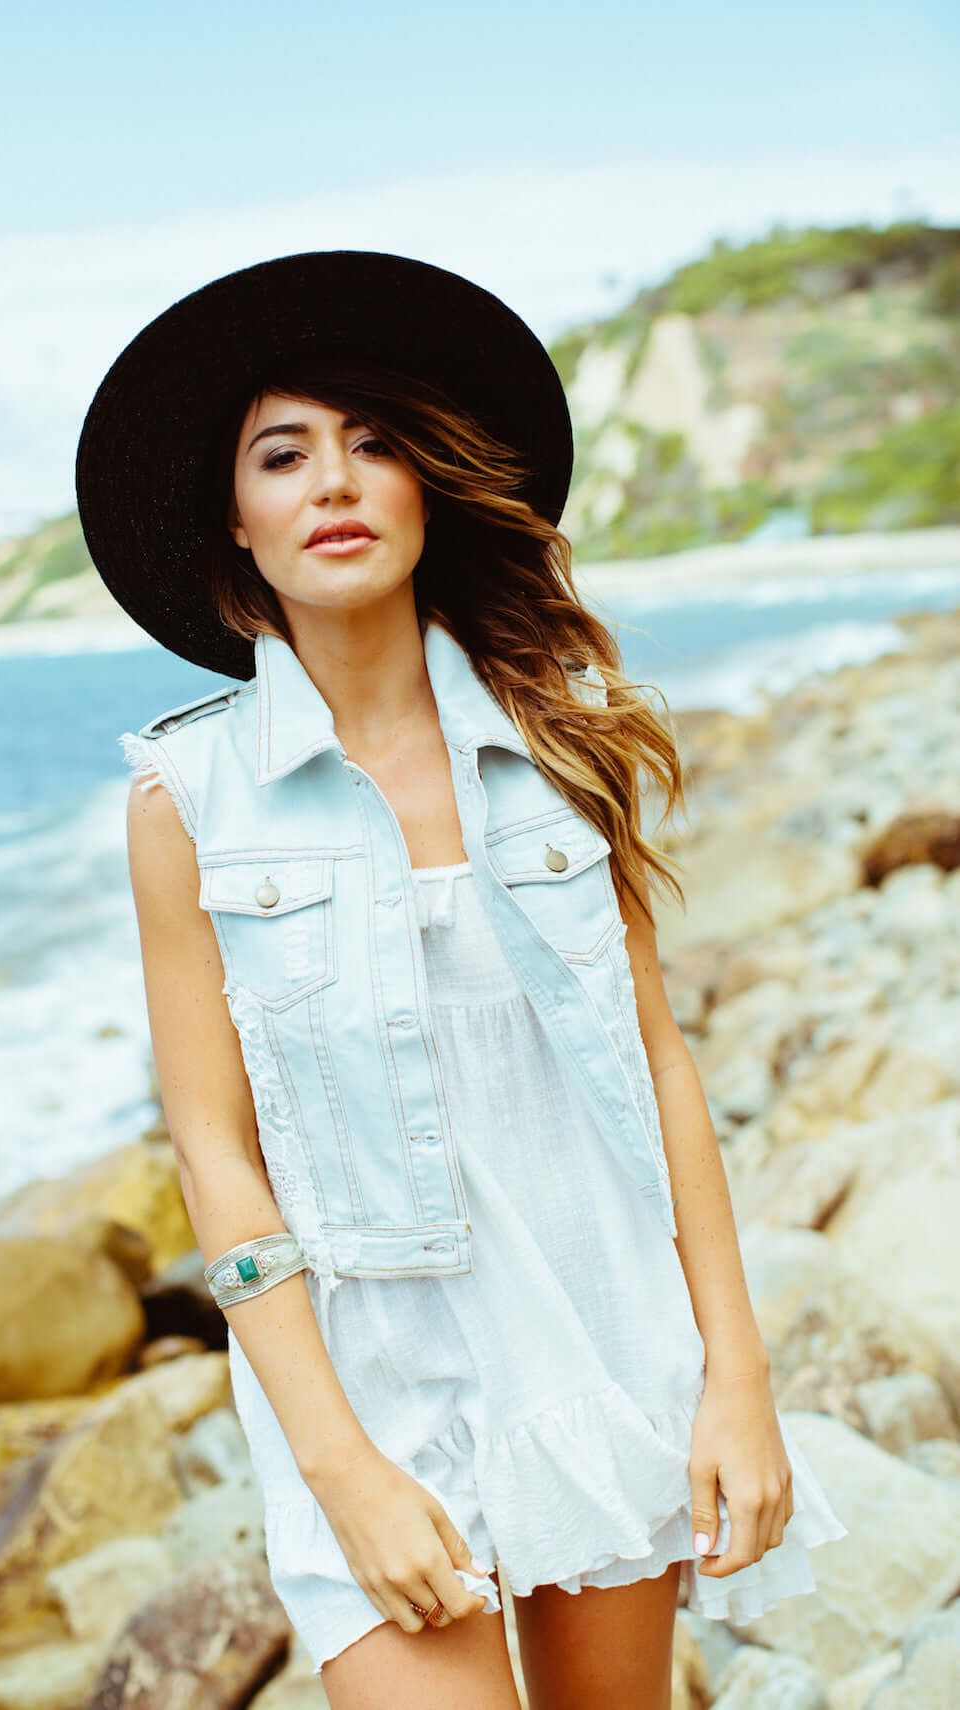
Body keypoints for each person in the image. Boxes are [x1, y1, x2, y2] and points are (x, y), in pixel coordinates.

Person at [76, 250, 846, 1708]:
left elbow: (661, 1071)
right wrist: (337, 1464)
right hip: (367, 1388)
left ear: (427, 484)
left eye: (374, 441)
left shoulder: (560, 747)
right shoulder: (187, 802)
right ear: (234, 522)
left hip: (602, 1336)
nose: (335, 482)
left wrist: (734, 1376)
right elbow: (216, 1154)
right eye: (283, 453)